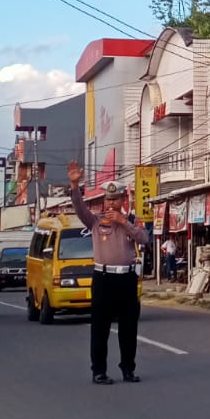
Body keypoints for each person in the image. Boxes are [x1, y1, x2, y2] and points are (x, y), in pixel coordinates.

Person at [67, 161, 148, 386]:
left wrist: (124, 223)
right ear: (105, 200)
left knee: (128, 326)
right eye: (109, 199)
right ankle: (99, 371)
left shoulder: (131, 220)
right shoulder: (95, 220)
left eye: (116, 198)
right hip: (103, 278)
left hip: (127, 278)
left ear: (123, 200)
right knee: (100, 326)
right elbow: (80, 209)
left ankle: (128, 369)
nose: (112, 203)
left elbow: (144, 238)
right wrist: (75, 185)